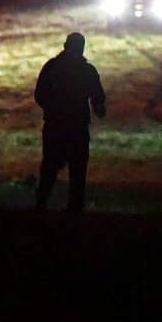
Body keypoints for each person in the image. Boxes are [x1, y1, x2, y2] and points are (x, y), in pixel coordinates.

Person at [33, 31, 107, 215]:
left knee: (50, 167)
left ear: (65, 46)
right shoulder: (87, 71)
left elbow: (40, 94)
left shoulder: (52, 67)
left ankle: (41, 204)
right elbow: (98, 98)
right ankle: (74, 209)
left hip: (55, 125)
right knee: (77, 170)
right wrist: (99, 110)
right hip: (77, 127)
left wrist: (53, 109)